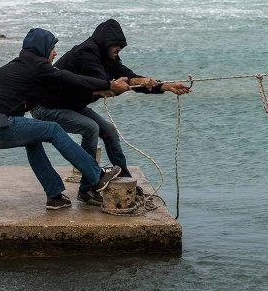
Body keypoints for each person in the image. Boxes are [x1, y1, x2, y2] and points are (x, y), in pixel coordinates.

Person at [31, 19, 191, 206]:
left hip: (71, 105)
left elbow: (127, 76)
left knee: (109, 131)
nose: (118, 50)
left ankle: (124, 178)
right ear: (106, 41)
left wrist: (166, 86)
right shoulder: (86, 53)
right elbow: (105, 83)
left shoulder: (108, 57)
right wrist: (131, 82)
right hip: (45, 106)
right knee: (90, 128)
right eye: (116, 46)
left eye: (120, 47)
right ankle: (87, 188)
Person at [0, 27, 128, 210]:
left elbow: (59, 89)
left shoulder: (24, 66)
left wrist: (98, 90)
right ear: (42, 47)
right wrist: (108, 84)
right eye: (52, 47)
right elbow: (68, 78)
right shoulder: (36, 65)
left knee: (34, 141)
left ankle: (54, 196)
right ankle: (97, 176)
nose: (55, 52)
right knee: (52, 129)